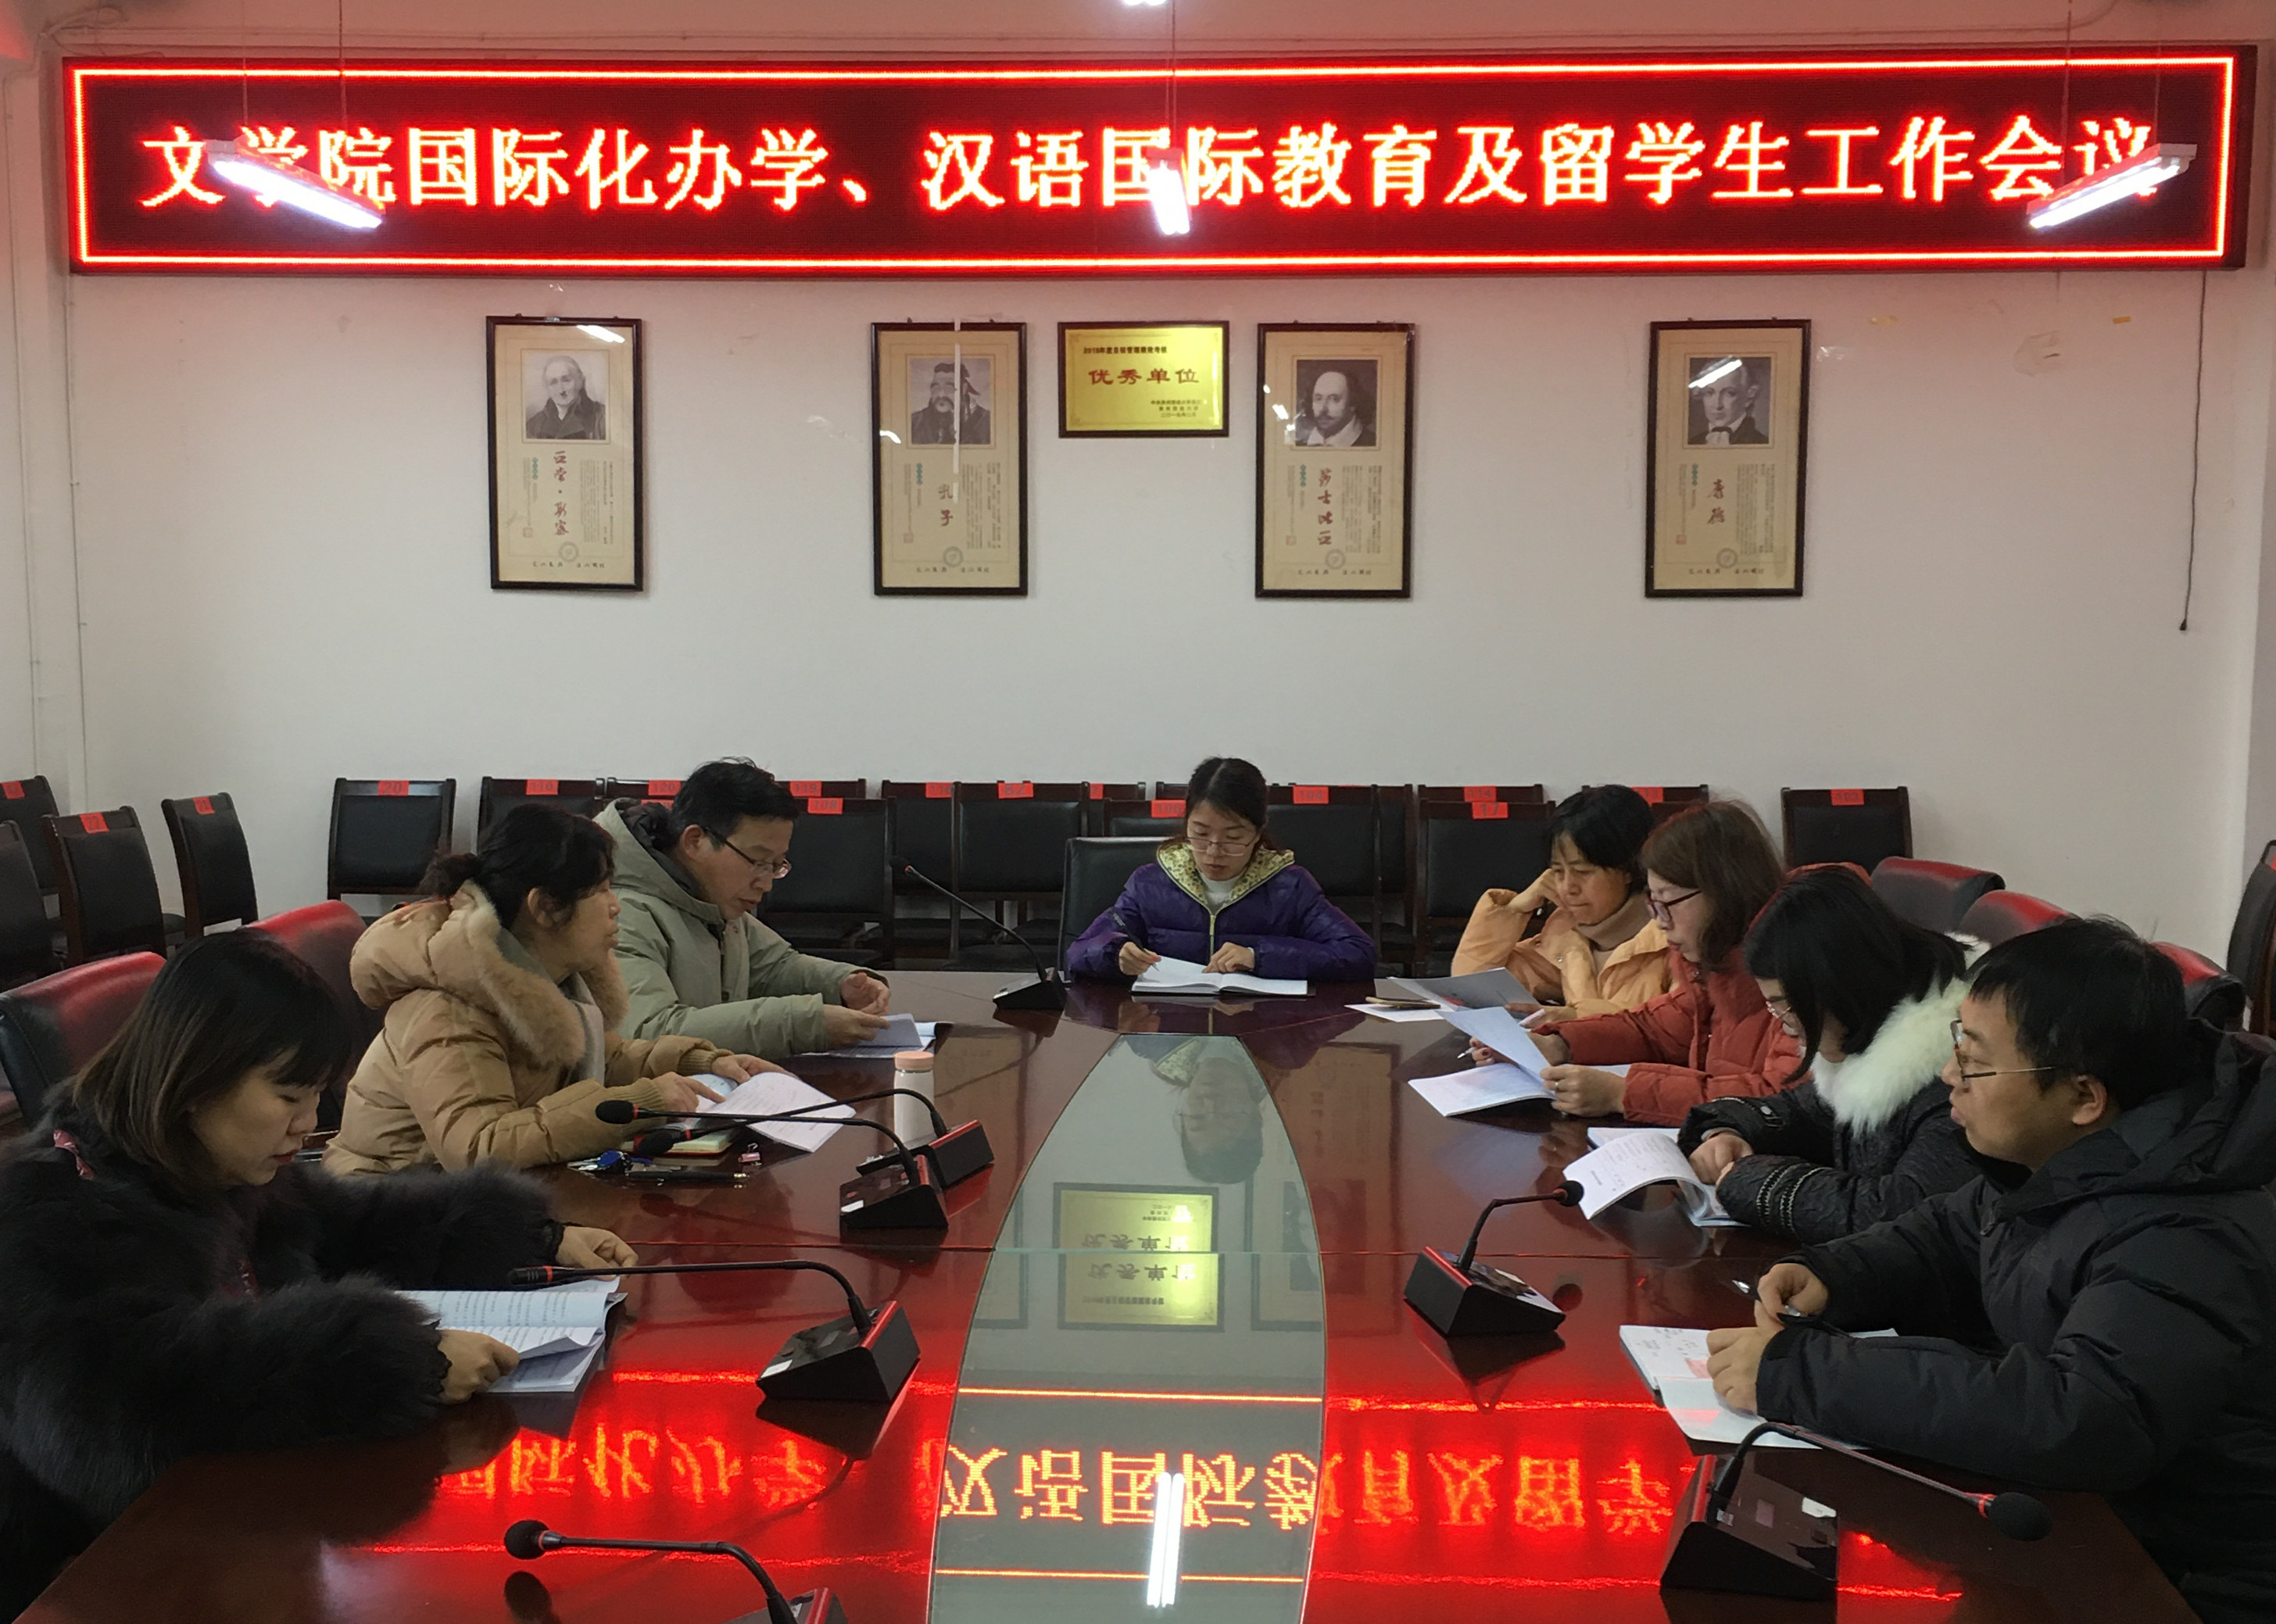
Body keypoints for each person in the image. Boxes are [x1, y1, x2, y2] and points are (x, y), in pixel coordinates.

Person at [0, 932, 640, 1613]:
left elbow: (352, 1226)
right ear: (195, 1081)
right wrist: (397, 1362)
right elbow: (125, 1411)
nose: (309, 1125)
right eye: (288, 1096)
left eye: (316, 1096)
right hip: (95, 1574)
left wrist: (533, 1237)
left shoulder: (204, 1161)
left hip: (235, 1533)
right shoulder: (49, 1215)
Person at [1707, 920, 2276, 1624]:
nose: (1950, 1075)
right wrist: (1835, 1273)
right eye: (1956, 1045)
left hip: (2182, 1577)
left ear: (2083, 1096)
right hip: (2081, 1525)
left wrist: (1804, 1375)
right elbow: (1951, 1233)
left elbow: (2083, 1416)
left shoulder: (2187, 1229)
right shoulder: (2078, 1156)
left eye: (1974, 1061)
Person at [325, 805, 775, 1175]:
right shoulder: (449, 1007)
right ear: (544, 907)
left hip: (476, 1198)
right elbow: (479, 1148)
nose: (616, 906)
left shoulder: (548, 974)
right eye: (601, 891)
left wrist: (702, 1062)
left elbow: (604, 1057)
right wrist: (638, 1103)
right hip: (394, 1202)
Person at [1677, 865, 1983, 1243]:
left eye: (1787, 1006)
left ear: (1842, 986)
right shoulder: (1878, 1031)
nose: (1786, 1027)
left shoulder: (1955, 1078)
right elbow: (1809, 1112)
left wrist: (1751, 1181)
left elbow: (1899, 1214)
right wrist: (1726, 1131)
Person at [1519, 799, 1796, 1123]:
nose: (1660, 923)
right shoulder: (1712, 970)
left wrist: (1622, 1094)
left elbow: (1780, 1099)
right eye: (1654, 905)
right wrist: (1560, 1043)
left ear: (1724, 892)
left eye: (1668, 903)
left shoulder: (1795, 976)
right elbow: (1652, 1029)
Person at [603, 762, 893, 1059]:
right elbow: (650, 1034)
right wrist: (804, 1024)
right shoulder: (621, 915)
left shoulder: (710, 898)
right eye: (757, 861)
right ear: (695, 841)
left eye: (776, 865)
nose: (766, 884)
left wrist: (841, 983)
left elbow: (772, 966)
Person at [1065, 757, 1375, 983]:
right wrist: (1115, 953)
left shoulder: (1290, 887)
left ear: (1257, 833)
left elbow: (1358, 953)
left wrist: (1258, 956)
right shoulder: (1150, 883)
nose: (1214, 852)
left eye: (1233, 838)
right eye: (1200, 834)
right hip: (1170, 1030)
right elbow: (1078, 952)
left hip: (1262, 1028)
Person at [1449, 785, 1673, 1018]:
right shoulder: (1567, 935)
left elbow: (1675, 1027)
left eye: (1583, 872)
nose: (1567, 887)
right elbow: (1472, 987)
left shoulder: (1672, 939)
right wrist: (1515, 909)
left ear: (1630, 868)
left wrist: (1576, 1020)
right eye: (1557, 871)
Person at [1689, 357, 1767, 445]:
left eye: (1730, 393)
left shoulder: (1760, 442)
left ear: (1749, 397)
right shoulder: (1694, 442)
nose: (1718, 405)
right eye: (1709, 393)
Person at [525, 354, 605, 441]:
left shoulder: (602, 417)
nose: (561, 390)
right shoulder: (534, 425)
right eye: (553, 382)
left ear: (580, 381)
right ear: (547, 388)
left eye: (566, 380)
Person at [1290, 367, 1374, 447]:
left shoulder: (1372, 442)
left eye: (1334, 399)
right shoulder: (1298, 442)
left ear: (1353, 403)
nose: (1323, 409)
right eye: (1318, 399)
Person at [910, 361, 990, 445]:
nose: (941, 395)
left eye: (949, 388)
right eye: (936, 388)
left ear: (964, 388)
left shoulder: (987, 422)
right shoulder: (915, 422)